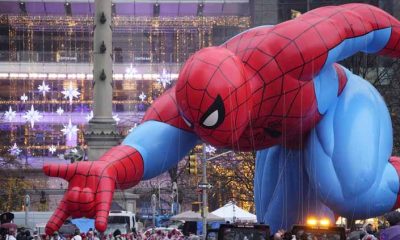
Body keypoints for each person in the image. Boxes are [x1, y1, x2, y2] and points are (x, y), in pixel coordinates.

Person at [43, 3, 400, 235]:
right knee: (276, 228)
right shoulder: (186, 106)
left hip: (342, 102)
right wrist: (106, 168)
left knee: (350, 193)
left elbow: (363, 24)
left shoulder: (286, 50)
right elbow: (144, 146)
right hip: (287, 138)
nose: (206, 137)